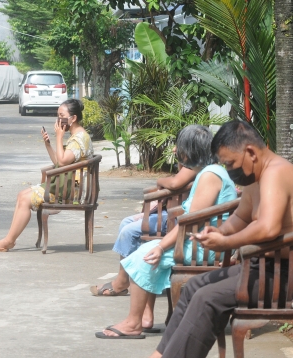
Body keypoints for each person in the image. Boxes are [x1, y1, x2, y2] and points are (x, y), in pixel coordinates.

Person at [149, 120, 293, 357]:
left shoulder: (276, 172)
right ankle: (160, 354)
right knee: (194, 286)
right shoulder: (255, 176)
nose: (230, 170)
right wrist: (221, 231)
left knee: (207, 298)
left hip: (282, 274)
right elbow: (242, 217)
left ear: (250, 152)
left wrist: (227, 243)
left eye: (231, 163)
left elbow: (268, 228)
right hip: (259, 268)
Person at [95, 124, 238, 339]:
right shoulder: (209, 172)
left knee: (145, 257)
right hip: (201, 241)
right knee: (147, 251)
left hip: (207, 247)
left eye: (179, 148)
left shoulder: (209, 175)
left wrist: (162, 246)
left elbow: (191, 221)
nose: (176, 152)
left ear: (189, 151)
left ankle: (133, 323)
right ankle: (143, 318)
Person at [0, 99, 93, 252]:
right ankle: (9, 240)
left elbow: (63, 162)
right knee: (22, 195)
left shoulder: (79, 139)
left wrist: (59, 137)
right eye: (57, 115)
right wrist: (48, 144)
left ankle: (8, 241)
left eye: (61, 115)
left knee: (26, 199)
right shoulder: (76, 136)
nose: (58, 120)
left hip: (74, 191)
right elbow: (59, 162)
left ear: (73, 118)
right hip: (68, 184)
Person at [90, 157, 196, 297]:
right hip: (168, 210)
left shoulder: (193, 167)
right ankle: (126, 276)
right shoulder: (188, 165)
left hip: (174, 216)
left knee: (128, 232)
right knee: (125, 222)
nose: (175, 150)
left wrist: (160, 181)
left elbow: (175, 183)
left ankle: (122, 282)